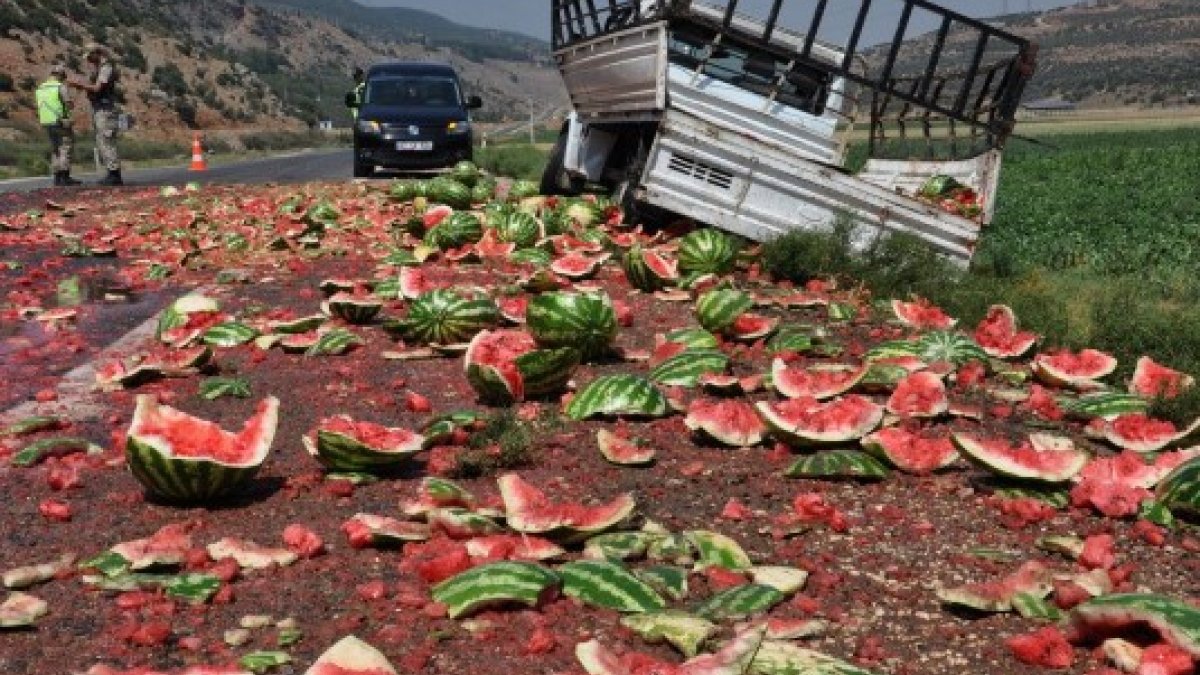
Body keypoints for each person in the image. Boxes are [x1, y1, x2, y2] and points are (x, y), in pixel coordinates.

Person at [68, 43, 122, 186]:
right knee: (101, 140)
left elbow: (98, 88)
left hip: (105, 108)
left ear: (97, 54)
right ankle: (111, 172)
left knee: (106, 139)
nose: (88, 60)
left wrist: (80, 85)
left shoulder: (106, 68)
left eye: (90, 57)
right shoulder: (99, 68)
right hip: (99, 108)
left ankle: (114, 174)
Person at [36, 64, 80, 186]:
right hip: (60, 121)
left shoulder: (41, 88)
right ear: (60, 75)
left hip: (46, 122)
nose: (63, 79)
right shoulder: (60, 87)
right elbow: (69, 104)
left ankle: (56, 177)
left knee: (55, 149)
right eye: (63, 76)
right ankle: (65, 177)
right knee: (65, 148)